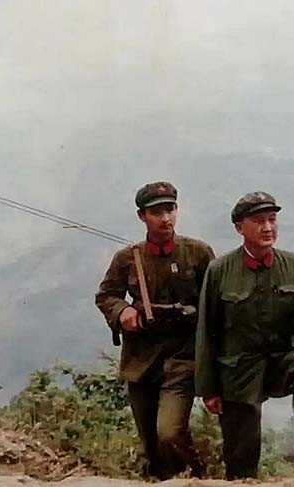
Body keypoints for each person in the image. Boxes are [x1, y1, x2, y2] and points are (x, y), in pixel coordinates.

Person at [195, 191, 294, 480]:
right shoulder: (220, 270)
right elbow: (207, 332)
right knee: (242, 464)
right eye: (259, 221)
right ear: (240, 227)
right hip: (238, 374)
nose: (268, 227)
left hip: (279, 363)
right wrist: (208, 388)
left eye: (272, 220)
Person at [95, 181, 215, 479]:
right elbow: (106, 295)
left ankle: (195, 479)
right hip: (142, 361)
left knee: (169, 432)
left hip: (183, 357)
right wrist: (123, 312)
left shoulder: (198, 253)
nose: (165, 218)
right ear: (142, 216)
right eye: (157, 212)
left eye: (170, 210)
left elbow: (216, 303)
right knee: (152, 446)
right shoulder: (128, 258)